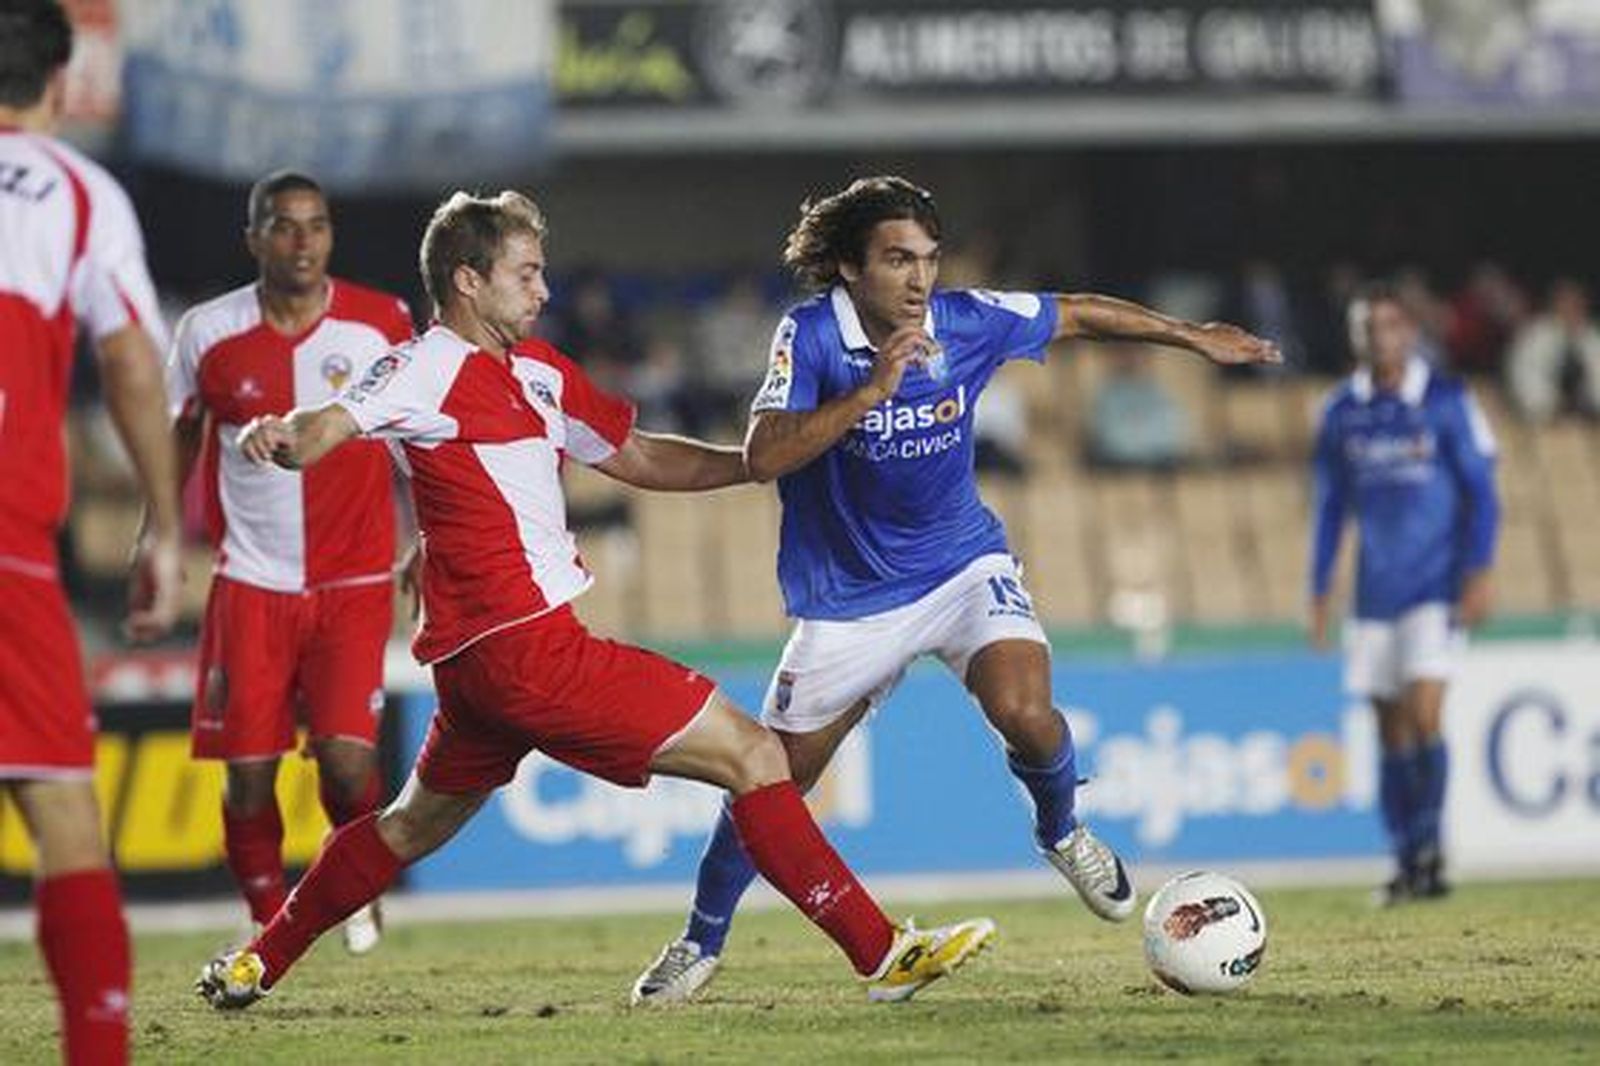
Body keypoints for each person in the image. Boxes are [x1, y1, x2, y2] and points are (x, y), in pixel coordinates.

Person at [195, 189, 995, 1011]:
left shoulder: (540, 373)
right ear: (468, 280)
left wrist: (756, 462)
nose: (544, 291)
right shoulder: (423, 365)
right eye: (528, 273)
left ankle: (258, 962)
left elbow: (639, 456)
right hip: (528, 652)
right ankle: (880, 952)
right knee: (754, 756)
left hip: (481, 674)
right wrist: (281, 436)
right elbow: (330, 422)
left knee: (408, 826)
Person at [631, 175, 1280, 1006]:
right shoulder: (810, 337)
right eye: (897, 260)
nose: (918, 279)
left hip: (961, 567)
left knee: (1028, 714)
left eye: (928, 260)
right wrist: (869, 393)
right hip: (851, 600)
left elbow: (1075, 309)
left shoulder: (966, 321)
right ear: (848, 269)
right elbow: (763, 454)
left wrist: (1190, 336)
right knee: (768, 780)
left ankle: (1061, 830)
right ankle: (700, 941)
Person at [166, 170, 414, 954]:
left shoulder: (380, 324)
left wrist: (432, 536)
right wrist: (156, 534)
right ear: (254, 239)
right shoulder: (206, 332)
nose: (303, 240)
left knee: (346, 768)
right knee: (246, 774)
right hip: (252, 581)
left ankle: (355, 887)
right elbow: (177, 434)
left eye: (317, 224)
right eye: (284, 225)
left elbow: (421, 431)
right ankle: (265, 921)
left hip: (353, 579)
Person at [0, 2, 182, 1061]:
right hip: (9, 546)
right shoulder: (76, 194)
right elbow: (128, 359)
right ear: (61, 87)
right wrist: (161, 524)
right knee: (62, 804)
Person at [1309, 282, 1500, 905]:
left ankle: (1429, 845)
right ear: (1357, 338)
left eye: (1389, 326)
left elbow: (1482, 492)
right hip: (1373, 595)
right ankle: (1403, 856)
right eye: (1367, 328)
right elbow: (1331, 508)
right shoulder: (1342, 411)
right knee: (1389, 729)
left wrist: (1479, 571)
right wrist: (1319, 588)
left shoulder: (1446, 400)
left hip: (1434, 587)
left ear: (1409, 333)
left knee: (1424, 714)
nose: (1378, 338)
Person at [1505, 278, 1600, 422]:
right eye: (1566, 302)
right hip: (1543, 415)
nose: (1571, 308)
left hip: (1587, 416)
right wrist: (1551, 406)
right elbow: (1524, 375)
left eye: (1576, 303)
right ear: (1555, 304)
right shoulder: (1536, 334)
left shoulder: (1592, 336)